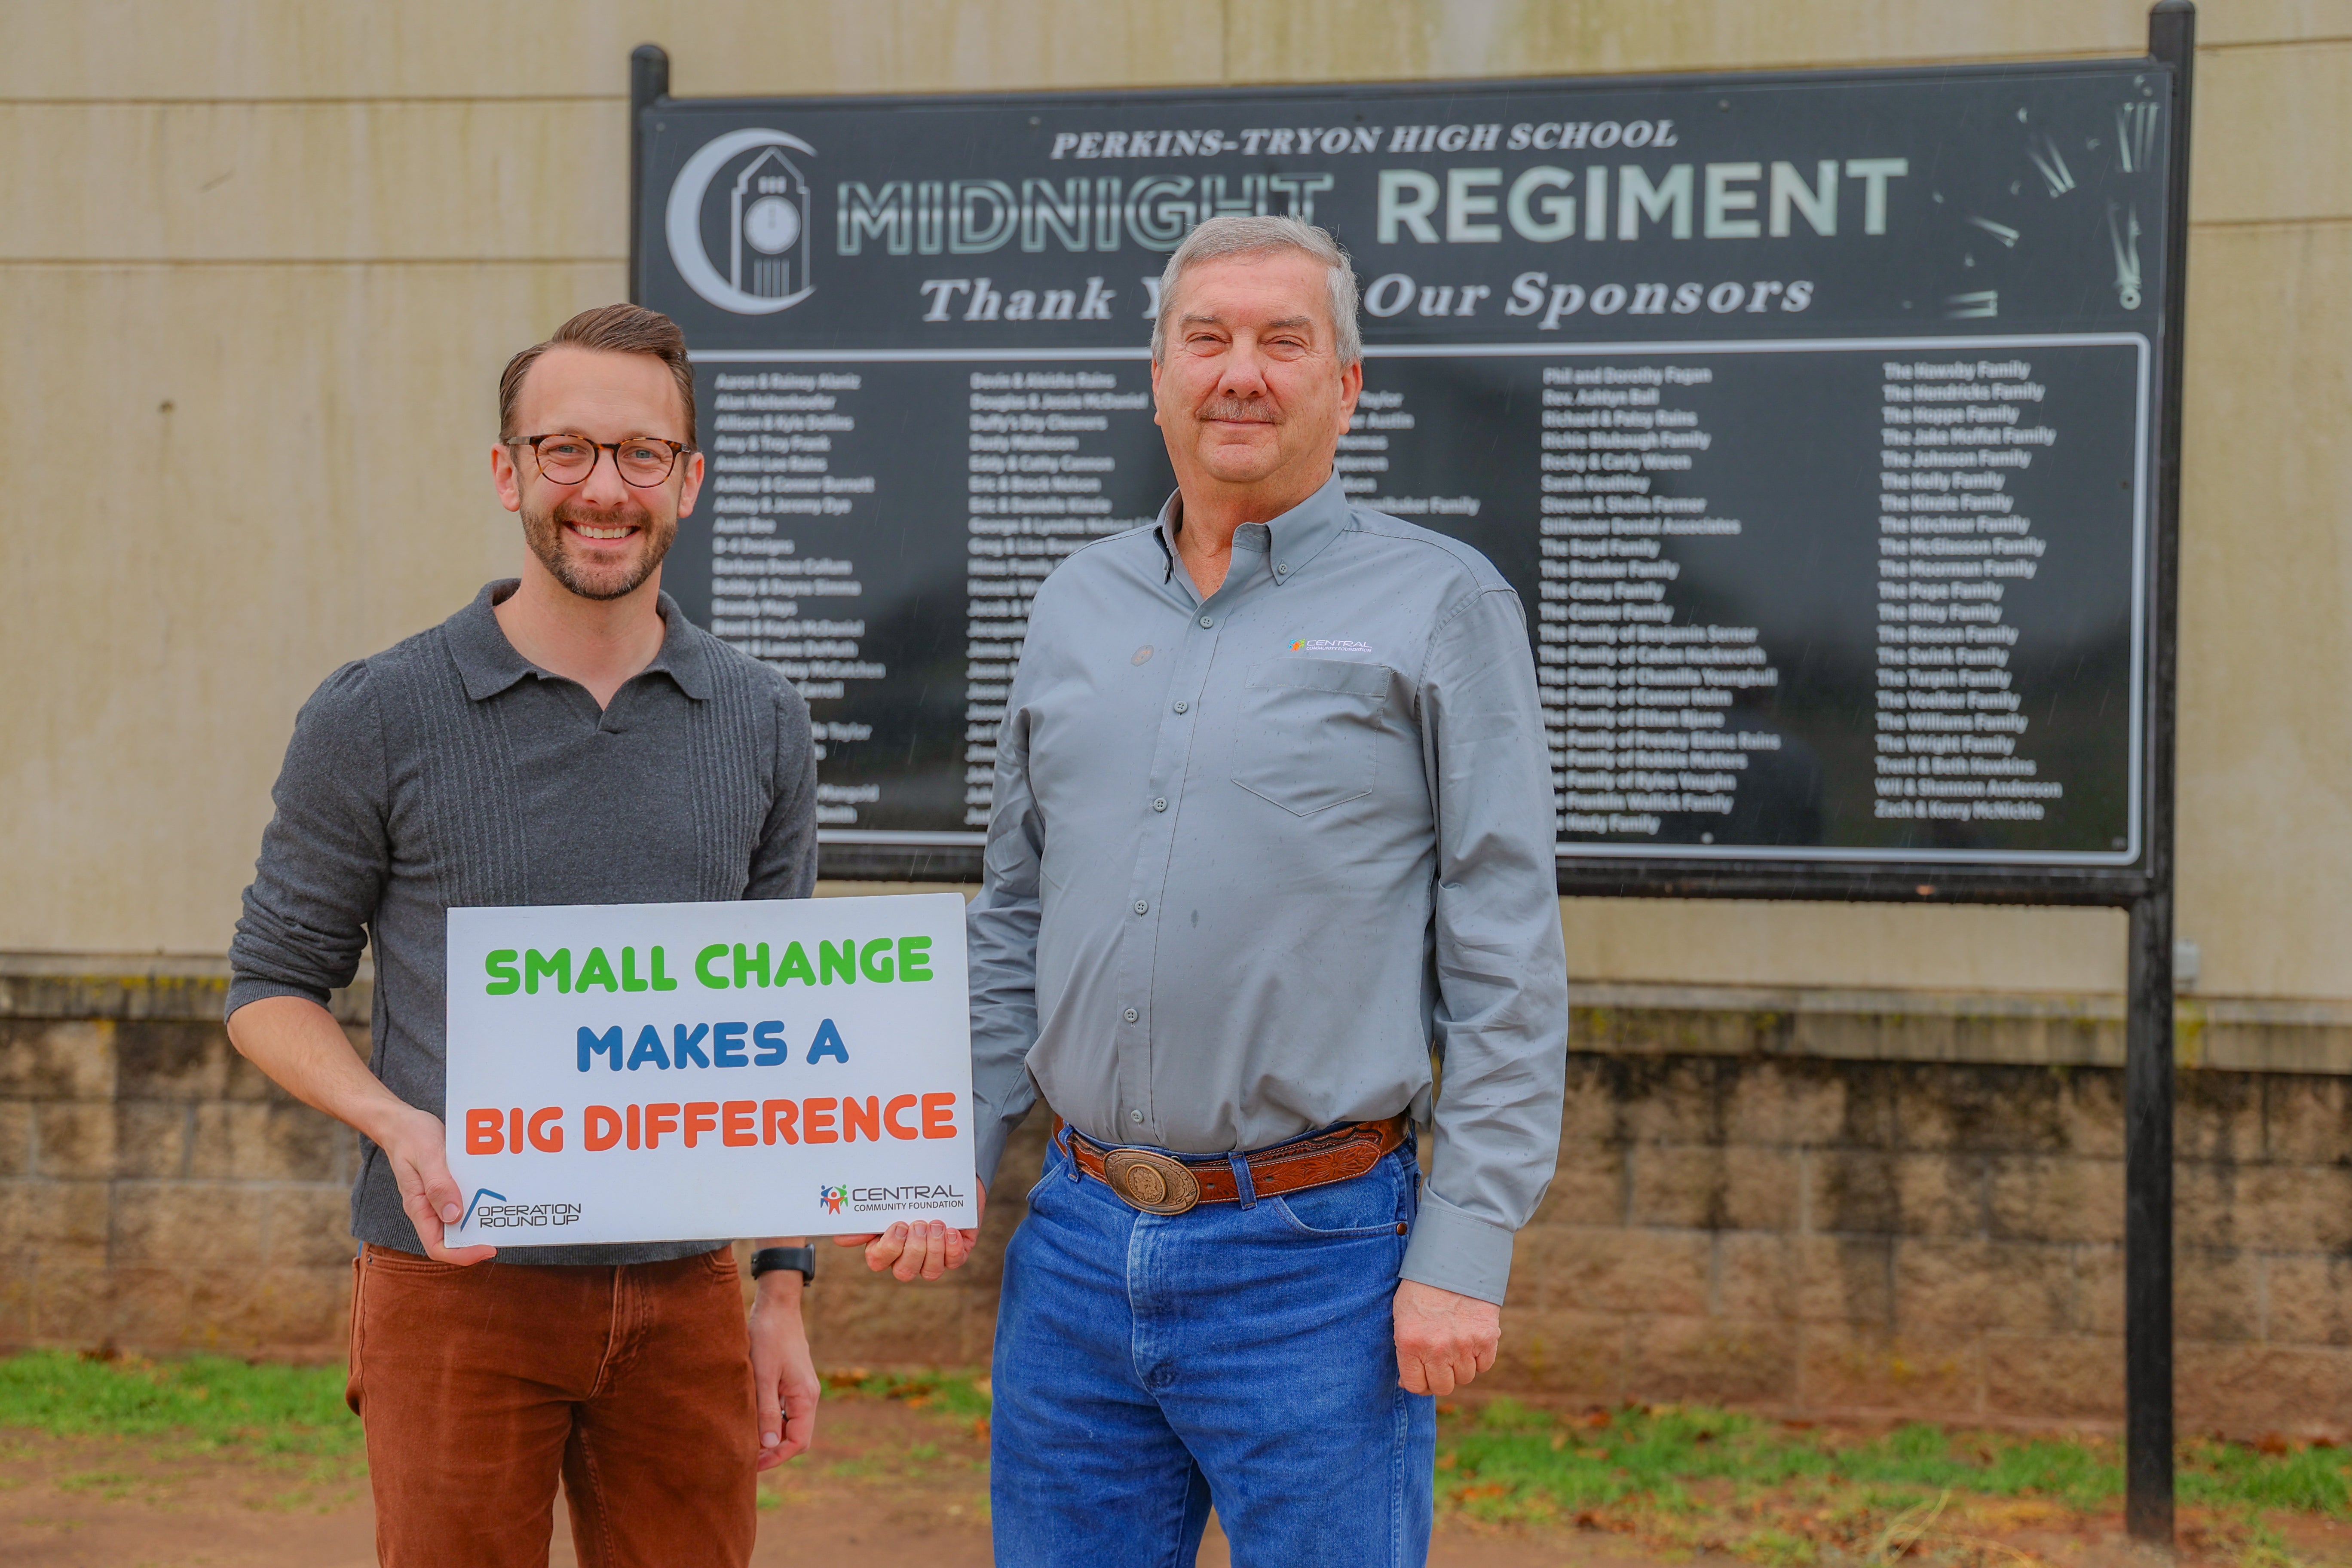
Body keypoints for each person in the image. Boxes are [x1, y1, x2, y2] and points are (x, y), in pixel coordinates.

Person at [866, 213, 1570, 1565]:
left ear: (1347, 386)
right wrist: (938, 1155)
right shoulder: (1074, 603)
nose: (1240, 371)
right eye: (1208, 338)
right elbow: (1010, 915)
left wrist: (1465, 1250)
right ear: (1158, 376)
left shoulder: (1443, 605)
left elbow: (1507, 955)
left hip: (1319, 1264)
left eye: (1282, 341)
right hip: (1073, 1247)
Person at [225, 304, 823, 1568]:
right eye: (566, 452)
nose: (603, 489)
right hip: (456, 1281)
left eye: (641, 455)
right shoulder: (379, 713)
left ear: (689, 481)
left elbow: (779, 1040)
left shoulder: (763, 722)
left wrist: (780, 1289)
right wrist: (395, 1122)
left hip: (686, 1292)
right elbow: (270, 986)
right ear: (508, 473)